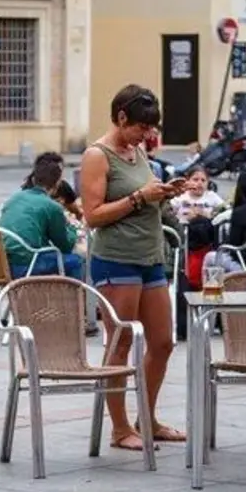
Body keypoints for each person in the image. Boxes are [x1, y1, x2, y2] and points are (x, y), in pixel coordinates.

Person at [80, 84, 188, 451]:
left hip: (151, 256)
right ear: (121, 117)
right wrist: (141, 196)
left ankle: (148, 417)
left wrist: (164, 192)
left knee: (162, 341)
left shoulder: (136, 151)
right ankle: (120, 428)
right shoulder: (97, 155)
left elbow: (143, 199)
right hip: (117, 258)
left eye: (150, 128)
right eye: (141, 127)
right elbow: (92, 216)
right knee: (121, 341)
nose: (146, 135)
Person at [0, 152, 83, 281]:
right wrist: (71, 226)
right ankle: (74, 300)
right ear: (57, 184)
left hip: (3, 264)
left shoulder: (14, 198)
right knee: (77, 261)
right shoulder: (52, 206)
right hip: (26, 265)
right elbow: (65, 246)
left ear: (34, 179)